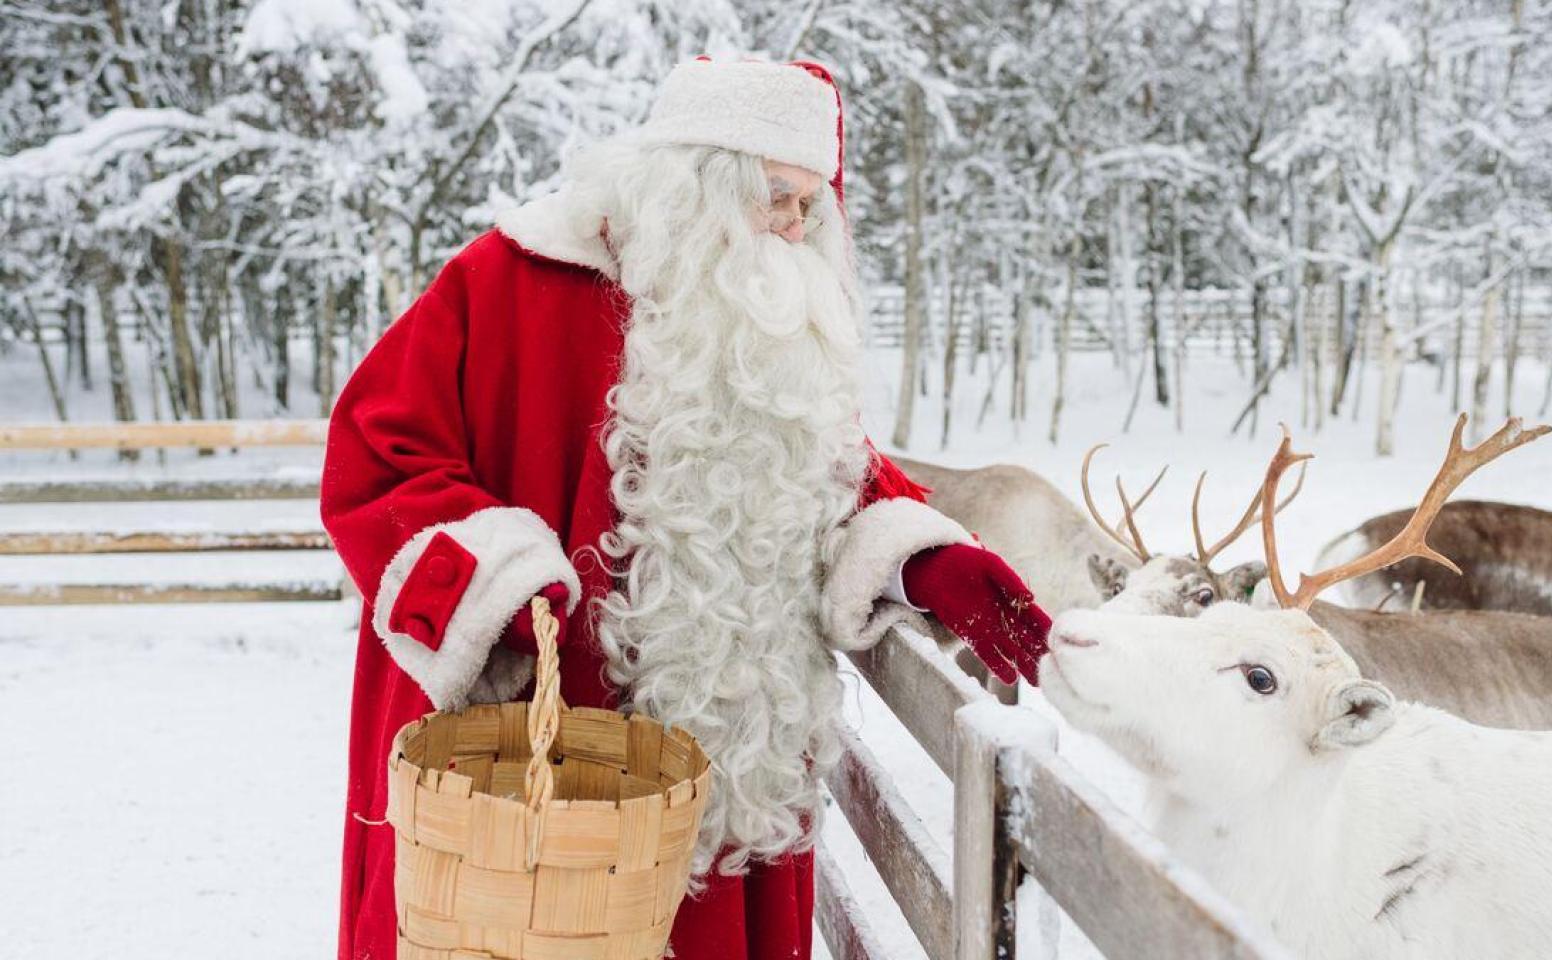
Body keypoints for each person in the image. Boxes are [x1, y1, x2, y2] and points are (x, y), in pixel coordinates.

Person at [321, 57, 1052, 960]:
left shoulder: (769, 316)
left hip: (725, 774)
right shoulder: (510, 278)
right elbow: (376, 456)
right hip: (530, 758)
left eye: (811, 206)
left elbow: (827, 468)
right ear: (695, 185)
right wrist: (493, 584)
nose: (796, 227)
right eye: (777, 197)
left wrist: (920, 558)